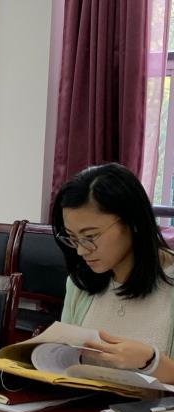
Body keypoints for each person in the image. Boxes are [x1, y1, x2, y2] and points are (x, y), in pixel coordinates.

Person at [52, 162, 174, 381]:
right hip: (83, 401)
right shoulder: (81, 282)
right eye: (72, 237)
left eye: (90, 236)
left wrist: (151, 361)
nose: (81, 250)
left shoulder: (169, 283)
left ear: (133, 222)